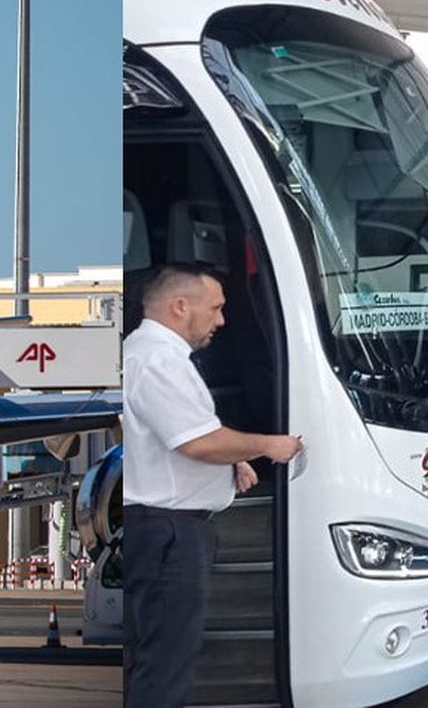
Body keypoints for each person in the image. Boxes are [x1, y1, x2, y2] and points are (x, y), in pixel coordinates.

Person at [123, 264, 302, 708]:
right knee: (165, 665)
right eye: (217, 308)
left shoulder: (155, 356)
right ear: (180, 307)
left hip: (168, 527)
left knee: (161, 657)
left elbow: (188, 431)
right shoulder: (157, 361)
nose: (222, 321)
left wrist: (233, 457)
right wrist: (268, 445)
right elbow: (198, 441)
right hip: (168, 532)